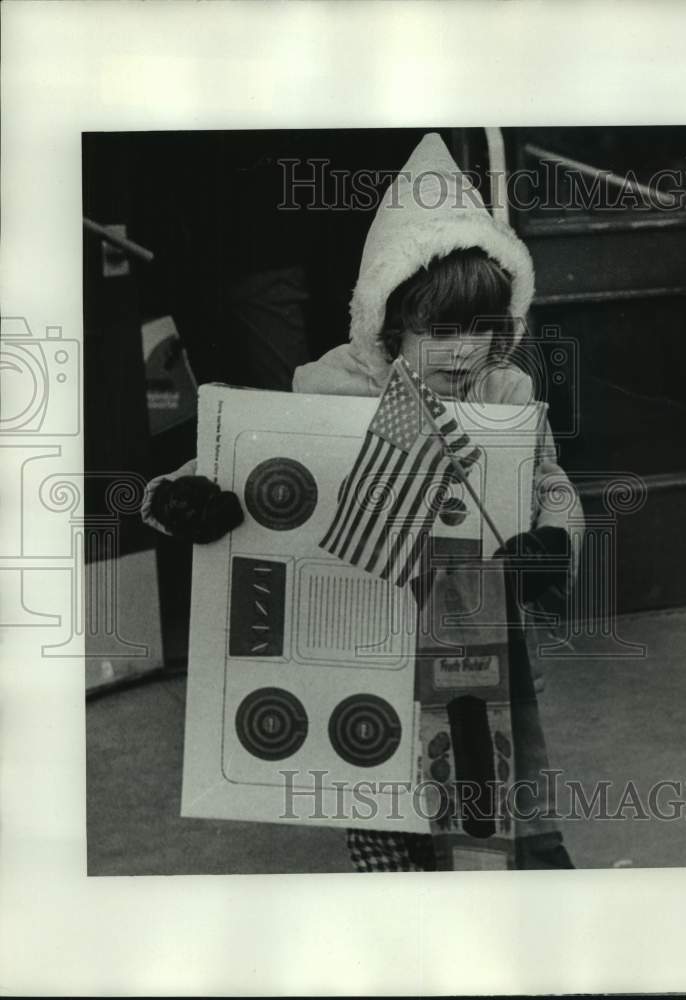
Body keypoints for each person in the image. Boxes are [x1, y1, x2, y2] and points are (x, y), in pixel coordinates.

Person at [141, 133, 583, 871]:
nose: (466, 353)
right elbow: (235, 464)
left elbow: (551, 486)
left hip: (471, 651)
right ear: (389, 322)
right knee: (384, 820)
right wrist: (182, 499)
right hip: (355, 653)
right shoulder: (329, 387)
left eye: (487, 329)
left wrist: (553, 541)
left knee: (489, 813)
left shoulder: (506, 392)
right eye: (440, 330)